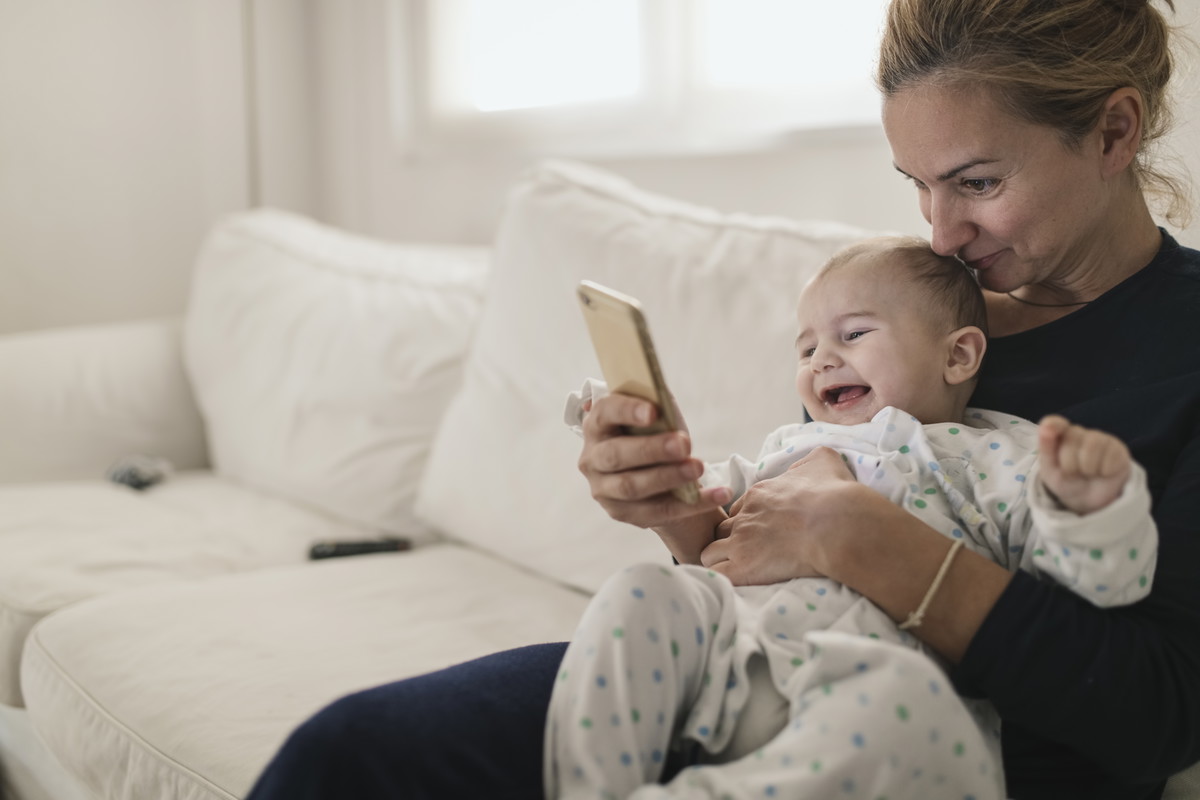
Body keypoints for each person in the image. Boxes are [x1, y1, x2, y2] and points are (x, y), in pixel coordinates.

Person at [245, 1, 1200, 798]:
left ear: (1114, 131)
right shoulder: (905, 310)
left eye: (977, 183)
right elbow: (782, 520)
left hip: (910, 744)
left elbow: (1161, 717)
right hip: (742, 663)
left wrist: (878, 549)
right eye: (917, 185)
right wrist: (677, 514)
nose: (941, 234)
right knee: (348, 757)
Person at [545, 237, 1156, 800]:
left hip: (859, 696)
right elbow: (709, 532)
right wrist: (660, 467)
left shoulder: (994, 455)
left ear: (959, 354)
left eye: (854, 334)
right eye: (807, 348)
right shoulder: (790, 445)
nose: (821, 361)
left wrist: (1088, 506)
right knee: (645, 591)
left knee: (904, 704)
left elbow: (1088, 586)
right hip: (735, 658)